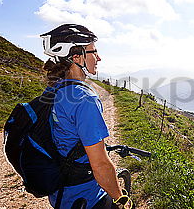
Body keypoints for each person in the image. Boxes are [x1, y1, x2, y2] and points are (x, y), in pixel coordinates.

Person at [41, 24, 131, 208]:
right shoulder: (84, 98)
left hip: (59, 193)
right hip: (86, 198)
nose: (98, 57)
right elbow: (100, 166)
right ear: (77, 57)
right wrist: (122, 200)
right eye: (93, 51)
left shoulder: (54, 89)